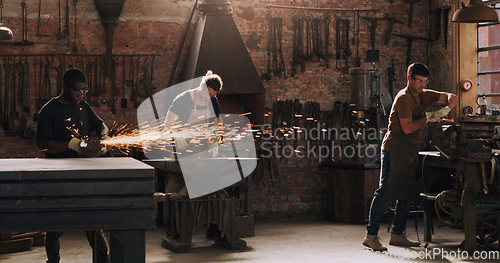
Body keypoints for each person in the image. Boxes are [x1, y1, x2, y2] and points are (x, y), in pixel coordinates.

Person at [362, 63, 458, 251]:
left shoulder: (424, 94)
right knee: (385, 191)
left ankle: (397, 234)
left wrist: (447, 109)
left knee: (406, 191)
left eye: (425, 81)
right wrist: (429, 117)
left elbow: (451, 97)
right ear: (409, 79)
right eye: (419, 81)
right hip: (394, 148)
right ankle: (371, 236)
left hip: (409, 150)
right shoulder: (404, 98)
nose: (422, 85)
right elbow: (407, 128)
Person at [36, 68, 110, 263]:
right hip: (58, 175)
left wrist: (103, 132)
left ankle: (103, 260)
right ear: (64, 87)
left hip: (84, 174)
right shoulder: (49, 110)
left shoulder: (83, 107)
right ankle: (53, 261)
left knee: (93, 224)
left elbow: (99, 124)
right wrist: (68, 145)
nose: (81, 95)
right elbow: (43, 144)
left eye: (84, 91)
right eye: (77, 91)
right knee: (54, 227)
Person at [162, 70, 224, 196]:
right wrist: (180, 137)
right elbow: (168, 125)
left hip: (201, 149)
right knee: (176, 183)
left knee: (204, 171)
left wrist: (214, 139)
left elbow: (218, 125)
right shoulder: (183, 99)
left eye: (211, 96)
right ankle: (176, 202)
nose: (207, 98)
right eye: (206, 94)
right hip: (181, 149)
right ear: (201, 86)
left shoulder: (213, 101)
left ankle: (188, 195)